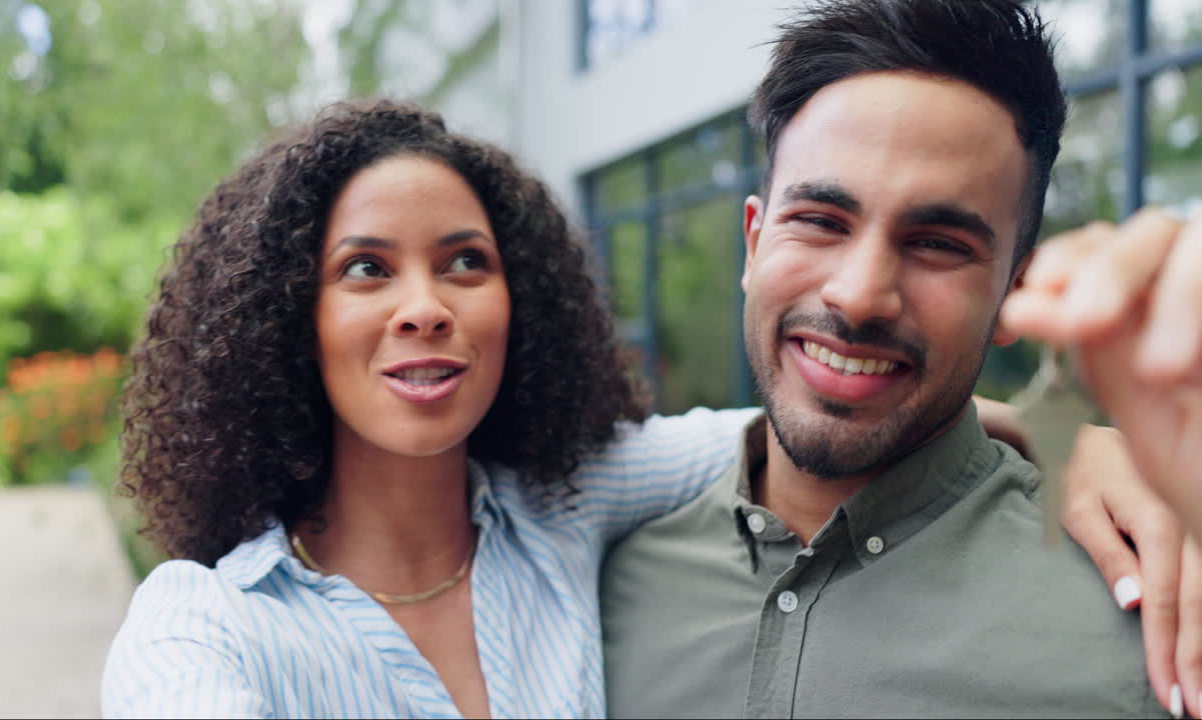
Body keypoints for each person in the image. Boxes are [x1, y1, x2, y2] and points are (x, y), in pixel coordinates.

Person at [102, 95, 1183, 719]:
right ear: (285, 316)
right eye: (366, 269)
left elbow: (807, 421)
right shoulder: (206, 623)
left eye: (465, 262)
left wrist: (1079, 439)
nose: (424, 306)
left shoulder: (567, 512)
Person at [600, 1, 1202, 718]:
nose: (859, 296)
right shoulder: (599, 586)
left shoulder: (1155, 614)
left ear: (1014, 291)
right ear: (754, 244)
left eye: (937, 244)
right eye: (820, 221)